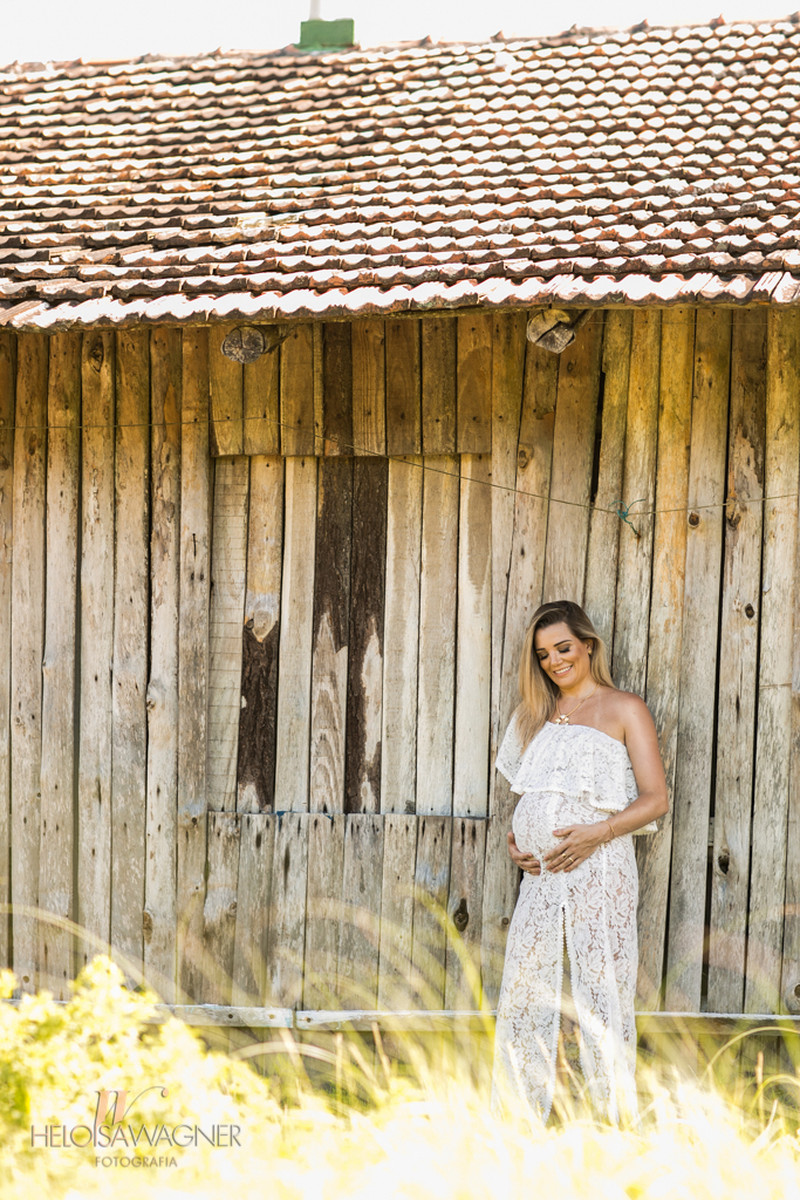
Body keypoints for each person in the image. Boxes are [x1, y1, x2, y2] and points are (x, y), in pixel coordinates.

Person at [490, 600, 668, 1125]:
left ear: (587, 645)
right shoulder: (534, 715)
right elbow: (533, 797)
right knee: (525, 991)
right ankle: (518, 1121)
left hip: (601, 867)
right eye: (543, 654)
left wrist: (597, 833)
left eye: (563, 648)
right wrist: (516, 842)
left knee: (602, 989)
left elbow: (655, 799)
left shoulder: (624, 708)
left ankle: (613, 1121)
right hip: (542, 878)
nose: (554, 662)